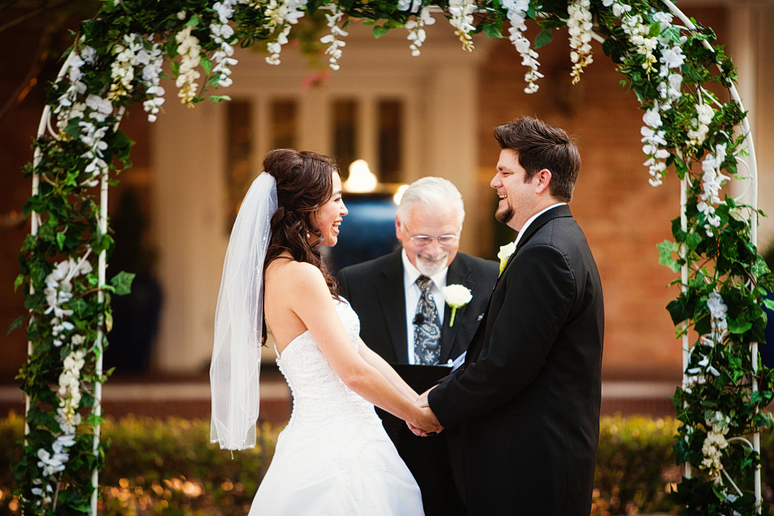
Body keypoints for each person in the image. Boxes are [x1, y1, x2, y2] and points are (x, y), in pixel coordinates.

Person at [209, 149, 440, 515]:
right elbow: (352, 371)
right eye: (336, 199)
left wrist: (418, 398)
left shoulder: (289, 269)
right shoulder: (298, 275)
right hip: (335, 454)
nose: (345, 210)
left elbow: (363, 351)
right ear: (306, 207)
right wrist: (415, 414)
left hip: (348, 438)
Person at [419, 117, 605, 515]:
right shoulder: (557, 239)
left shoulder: (546, 253)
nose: (494, 182)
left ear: (540, 179)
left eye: (505, 172)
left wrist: (435, 404)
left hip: (529, 471)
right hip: (535, 462)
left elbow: (505, 365)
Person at [337, 177, 498, 516]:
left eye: (447, 238)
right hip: (385, 447)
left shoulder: (491, 279)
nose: (435, 251)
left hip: (464, 447)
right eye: (422, 237)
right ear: (399, 227)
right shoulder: (356, 282)